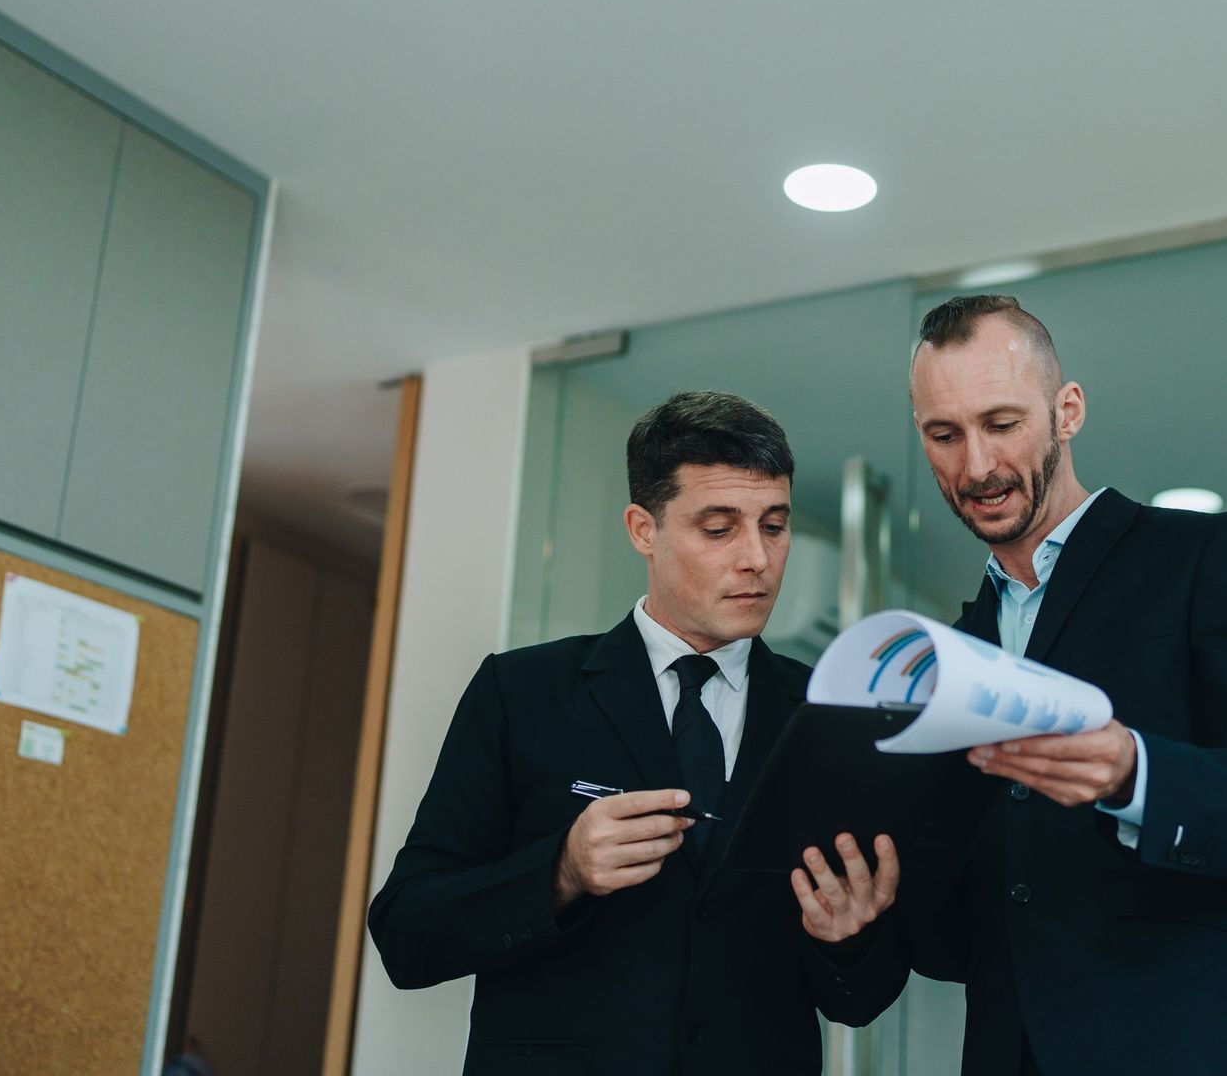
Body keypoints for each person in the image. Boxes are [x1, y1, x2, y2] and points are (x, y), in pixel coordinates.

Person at [368, 391, 908, 1075]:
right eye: (719, 529)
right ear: (642, 528)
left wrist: (848, 939)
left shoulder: (833, 715)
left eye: (773, 526)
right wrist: (561, 871)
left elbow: (863, 999)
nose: (758, 559)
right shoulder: (521, 693)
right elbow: (407, 934)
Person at [900, 294, 1227, 1076]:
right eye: (945, 435)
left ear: (1066, 411)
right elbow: (977, 929)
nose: (975, 466)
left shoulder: (1208, 555)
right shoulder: (952, 655)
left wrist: (1137, 773)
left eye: (1002, 424)